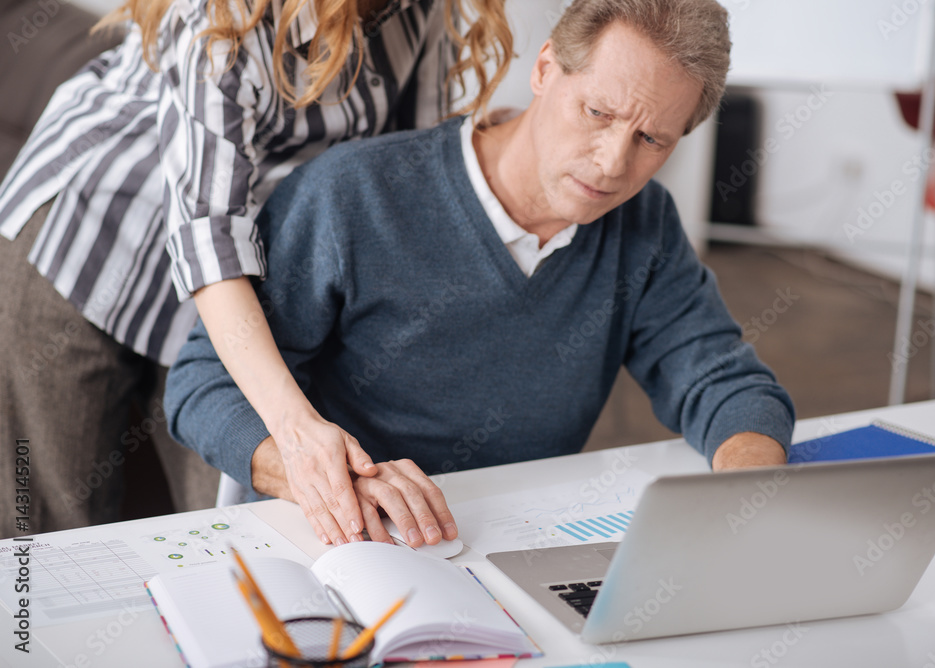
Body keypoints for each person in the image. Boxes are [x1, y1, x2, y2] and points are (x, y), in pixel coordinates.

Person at [166, 0, 795, 548]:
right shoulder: (352, 195)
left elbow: (723, 380)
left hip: (516, 548)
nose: (612, 163)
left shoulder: (644, 224)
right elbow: (201, 384)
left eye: (652, 140)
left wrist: (747, 491)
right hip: (349, 544)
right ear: (545, 69)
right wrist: (325, 481)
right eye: (598, 113)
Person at [0, 0, 512, 539]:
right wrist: (295, 425)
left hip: (245, 256)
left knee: (232, 532)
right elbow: (208, 233)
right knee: (50, 533)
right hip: (85, 239)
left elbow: (408, 167)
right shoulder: (218, 13)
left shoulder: (419, 9)